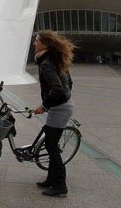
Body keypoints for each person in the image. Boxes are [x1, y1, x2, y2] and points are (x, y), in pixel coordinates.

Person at [32, 30, 75, 198]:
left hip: (60, 108)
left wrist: (44, 106)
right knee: (51, 144)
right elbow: (69, 83)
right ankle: (50, 179)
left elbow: (57, 89)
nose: (34, 43)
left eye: (37, 40)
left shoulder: (46, 63)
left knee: (51, 146)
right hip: (62, 105)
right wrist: (59, 101)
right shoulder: (54, 59)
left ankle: (60, 185)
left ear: (45, 44)